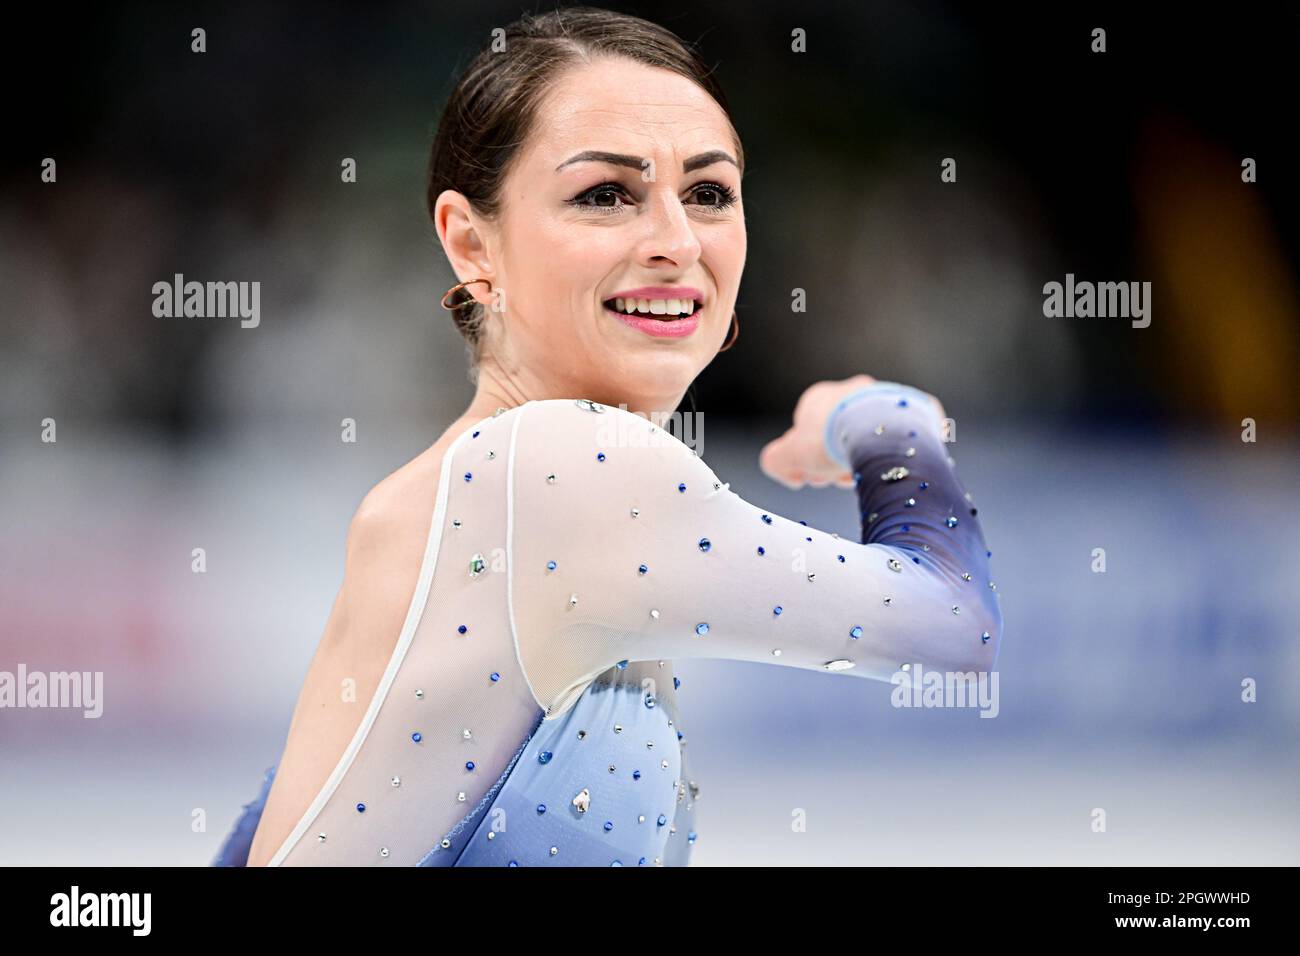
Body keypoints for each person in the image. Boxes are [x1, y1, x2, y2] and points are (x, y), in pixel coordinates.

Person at [213, 6, 1002, 868]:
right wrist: (883, 420)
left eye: (708, 193)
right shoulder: (566, 468)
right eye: (604, 195)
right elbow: (952, 629)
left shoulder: (431, 495)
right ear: (470, 242)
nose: (674, 242)